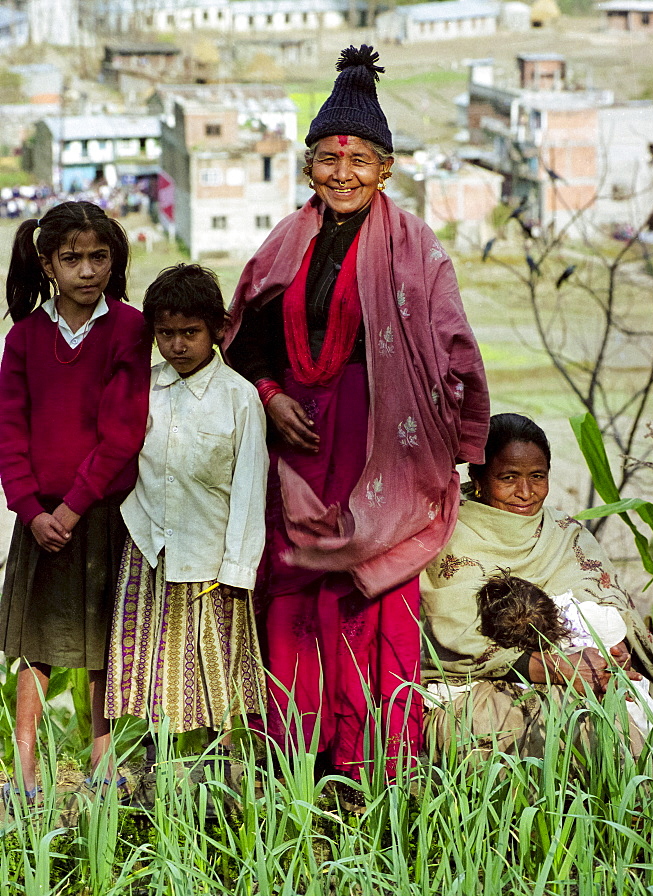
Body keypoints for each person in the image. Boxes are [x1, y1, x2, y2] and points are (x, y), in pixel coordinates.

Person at [225, 44, 489, 809]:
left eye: (358, 160)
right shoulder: (284, 243)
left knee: (375, 598)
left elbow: (455, 350)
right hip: (302, 449)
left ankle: (377, 768)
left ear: (386, 169)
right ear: (307, 167)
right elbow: (245, 338)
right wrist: (271, 396)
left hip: (387, 455)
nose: (342, 174)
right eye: (326, 160)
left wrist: (466, 447)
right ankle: (296, 763)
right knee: (296, 593)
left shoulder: (417, 252)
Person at [0, 201, 151, 802]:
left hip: (100, 515)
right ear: (47, 263)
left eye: (99, 257)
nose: (87, 270)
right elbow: (10, 430)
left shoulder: (129, 329)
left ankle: (101, 753)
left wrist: (71, 507)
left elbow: (123, 432)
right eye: (72, 259)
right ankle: (25, 762)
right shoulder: (26, 338)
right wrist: (31, 510)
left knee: (101, 642)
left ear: (113, 261)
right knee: (34, 643)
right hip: (40, 518)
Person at [421, 412, 653, 760]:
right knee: (569, 733)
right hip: (481, 690)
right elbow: (454, 636)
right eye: (508, 477)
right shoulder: (447, 534)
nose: (525, 492)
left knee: (632, 719)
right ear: (478, 475)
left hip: (588, 673)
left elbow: (608, 608)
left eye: (537, 477)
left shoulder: (566, 534)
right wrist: (555, 667)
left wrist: (612, 656)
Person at [105, 265, 267, 769]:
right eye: (165, 334)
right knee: (152, 658)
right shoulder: (143, 388)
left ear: (217, 329)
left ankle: (222, 759)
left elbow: (249, 487)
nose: (177, 345)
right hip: (148, 543)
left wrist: (237, 569)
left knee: (212, 658)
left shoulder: (239, 397)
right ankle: (157, 758)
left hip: (210, 553)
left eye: (190, 333)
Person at [477, 573, 653, 753]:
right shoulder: (582, 613)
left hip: (610, 698)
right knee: (642, 737)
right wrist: (616, 651)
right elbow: (614, 628)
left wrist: (615, 656)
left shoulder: (570, 625)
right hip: (615, 701)